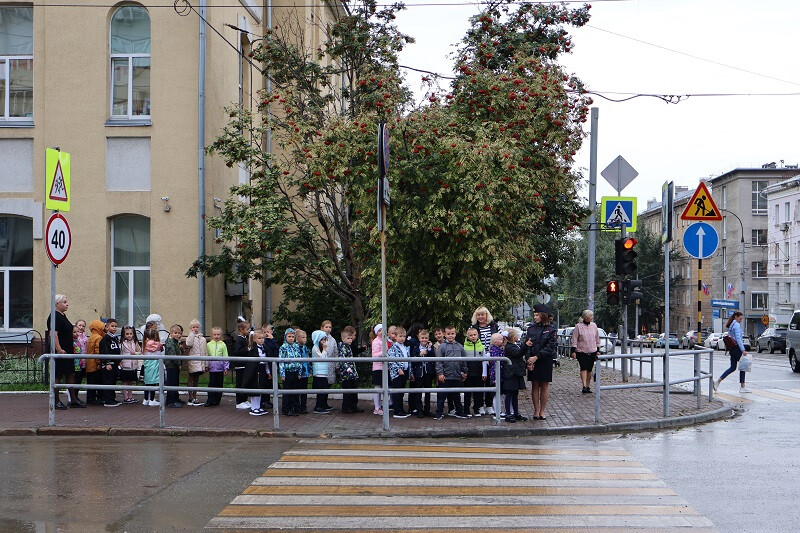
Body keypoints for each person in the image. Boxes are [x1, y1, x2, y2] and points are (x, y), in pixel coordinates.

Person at [46, 294, 82, 409]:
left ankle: (73, 400)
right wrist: (59, 349)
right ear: (57, 304)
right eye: (64, 302)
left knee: (70, 373)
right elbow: (53, 334)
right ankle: (56, 400)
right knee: (58, 375)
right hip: (60, 352)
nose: (67, 304)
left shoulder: (63, 316)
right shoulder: (54, 317)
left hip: (68, 351)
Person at [523, 304, 557, 420]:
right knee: (535, 385)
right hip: (533, 360)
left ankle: (542, 410)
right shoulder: (531, 329)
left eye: (537, 315)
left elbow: (550, 347)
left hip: (545, 360)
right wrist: (529, 360)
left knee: (544, 385)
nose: (535, 317)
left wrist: (537, 357)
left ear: (543, 316)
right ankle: (536, 410)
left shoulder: (551, 329)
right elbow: (527, 344)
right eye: (534, 315)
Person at [433, 325, 468, 420]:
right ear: (445, 334)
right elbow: (439, 361)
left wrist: (464, 372)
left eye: (452, 333)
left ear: (455, 334)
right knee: (441, 395)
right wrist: (440, 373)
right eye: (448, 334)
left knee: (456, 395)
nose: (450, 335)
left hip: (456, 375)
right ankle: (439, 413)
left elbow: (464, 360)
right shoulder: (442, 347)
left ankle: (459, 411)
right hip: (445, 376)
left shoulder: (460, 346)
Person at [471, 306, 499, 414]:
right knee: (479, 382)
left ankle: (489, 405)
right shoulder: (473, 327)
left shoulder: (494, 326)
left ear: (487, 315)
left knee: (490, 382)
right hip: (479, 358)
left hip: (492, 357)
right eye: (478, 315)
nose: (480, 317)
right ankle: (479, 405)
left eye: (482, 314)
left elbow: (500, 338)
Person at [714, 311, 751, 393]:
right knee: (743, 365)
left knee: (733, 367)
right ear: (736, 317)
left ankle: (717, 381)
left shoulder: (731, 325)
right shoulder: (736, 325)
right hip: (737, 348)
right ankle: (742, 387)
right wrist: (743, 349)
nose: (741, 321)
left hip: (732, 349)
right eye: (740, 319)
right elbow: (738, 339)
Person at [570, 309, 601, 393]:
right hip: (581, 351)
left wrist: (598, 350)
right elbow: (574, 339)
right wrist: (573, 351)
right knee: (583, 367)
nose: (592, 317)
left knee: (590, 369)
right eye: (590, 316)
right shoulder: (578, 326)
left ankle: (588, 385)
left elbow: (597, 338)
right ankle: (584, 386)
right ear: (585, 317)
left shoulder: (594, 326)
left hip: (592, 350)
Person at [337, 325, 364, 414]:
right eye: (348, 338)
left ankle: (353, 406)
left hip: (352, 372)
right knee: (347, 390)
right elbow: (342, 359)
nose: (350, 340)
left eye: (351, 338)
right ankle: (346, 407)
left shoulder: (349, 347)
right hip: (346, 373)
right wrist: (347, 368)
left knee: (353, 389)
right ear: (343, 339)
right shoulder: (342, 347)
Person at [502, 329, 527, 422]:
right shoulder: (509, 347)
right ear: (513, 337)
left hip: (516, 373)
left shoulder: (513, 346)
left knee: (515, 394)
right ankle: (508, 413)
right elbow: (518, 353)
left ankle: (516, 413)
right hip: (511, 373)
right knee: (509, 393)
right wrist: (525, 346)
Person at [278, 327, 303, 416]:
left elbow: (299, 359)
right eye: (289, 336)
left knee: (294, 391)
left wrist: (300, 372)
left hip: (295, 371)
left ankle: (294, 408)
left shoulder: (296, 346)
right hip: (287, 372)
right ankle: (286, 409)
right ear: (285, 337)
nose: (291, 338)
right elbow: (281, 361)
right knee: (287, 392)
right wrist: (282, 374)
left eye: (293, 337)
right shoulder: (283, 347)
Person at [462, 327, 486, 417]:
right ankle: (466, 410)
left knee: (478, 393)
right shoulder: (464, 347)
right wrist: (463, 372)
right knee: (467, 393)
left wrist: (484, 373)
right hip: (468, 373)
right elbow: (462, 361)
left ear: (478, 335)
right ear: (467, 336)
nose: (473, 336)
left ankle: (476, 409)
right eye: (471, 335)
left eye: (475, 335)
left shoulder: (482, 347)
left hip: (479, 373)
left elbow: (484, 361)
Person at [244, 330, 268, 416]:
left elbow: (266, 360)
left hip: (262, 368)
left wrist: (268, 371)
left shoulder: (265, 347)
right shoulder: (253, 349)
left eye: (262, 338)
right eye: (259, 338)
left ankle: (258, 406)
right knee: (255, 388)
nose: (261, 340)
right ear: (254, 339)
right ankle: (254, 407)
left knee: (260, 387)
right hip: (255, 369)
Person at [388, 326, 411, 418]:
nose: (402, 338)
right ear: (395, 337)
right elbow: (391, 360)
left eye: (404, 336)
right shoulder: (393, 347)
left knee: (401, 392)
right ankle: (397, 411)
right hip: (397, 374)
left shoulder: (404, 347)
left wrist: (410, 372)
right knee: (397, 392)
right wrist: (398, 369)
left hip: (404, 371)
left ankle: (401, 409)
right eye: (400, 336)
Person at [99, 318, 121, 407]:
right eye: (112, 326)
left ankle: (112, 398)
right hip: (109, 364)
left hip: (115, 363)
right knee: (108, 381)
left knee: (113, 381)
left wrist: (119, 361)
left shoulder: (115, 338)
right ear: (107, 327)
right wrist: (106, 363)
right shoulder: (105, 339)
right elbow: (104, 351)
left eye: (116, 326)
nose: (114, 328)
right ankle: (108, 400)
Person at [204, 326, 229, 407]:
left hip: (220, 369)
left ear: (221, 335)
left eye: (218, 334)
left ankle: (217, 400)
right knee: (211, 384)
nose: (216, 336)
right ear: (212, 335)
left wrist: (226, 367)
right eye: (214, 334)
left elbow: (225, 356)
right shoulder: (208, 345)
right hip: (212, 369)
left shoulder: (223, 345)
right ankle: (210, 400)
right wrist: (206, 365)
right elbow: (207, 355)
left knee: (219, 384)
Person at [185, 319, 207, 406]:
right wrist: (192, 334)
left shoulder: (203, 339)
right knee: (191, 378)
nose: (195, 329)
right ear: (190, 328)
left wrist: (206, 364)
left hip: (200, 361)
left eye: (197, 327)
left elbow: (205, 352)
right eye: (193, 327)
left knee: (196, 379)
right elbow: (189, 344)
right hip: (193, 361)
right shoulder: (190, 337)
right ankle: (190, 397)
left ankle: (195, 396)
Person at [311, 330, 333, 414]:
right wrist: (324, 349)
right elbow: (322, 358)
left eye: (325, 339)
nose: (324, 341)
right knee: (321, 390)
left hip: (324, 372)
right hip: (319, 373)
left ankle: (323, 404)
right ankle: (318, 406)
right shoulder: (315, 348)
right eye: (322, 339)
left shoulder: (321, 348)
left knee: (325, 389)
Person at [119, 325, 141, 404]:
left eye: (130, 334)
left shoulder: (135, 342)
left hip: (133, 365)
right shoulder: (122, 343)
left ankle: (130, 396)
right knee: (125, 381)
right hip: (125, 365)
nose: (129, 335)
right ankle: (126, 397)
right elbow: (120, 353)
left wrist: (135, 353)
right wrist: (120, 362)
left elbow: (140, 351)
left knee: (130, 381)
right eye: (127, 334)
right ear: (124, 334)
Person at [232, 320, 251, 410]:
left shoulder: (244, 338)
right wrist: (247, 349)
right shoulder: (239, 339)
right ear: (241, 329)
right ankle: (239, 401)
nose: (248, 331)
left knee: (245, 382)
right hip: (240, 365)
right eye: (247, 329)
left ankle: (244, 399)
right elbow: (237, 351)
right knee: (240, 383)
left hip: (245, 364)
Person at [86, 319, 106, 405]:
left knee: (91, 382)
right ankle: (95, 399)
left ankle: (90, 398)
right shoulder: (99, 338)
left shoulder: (91, 337)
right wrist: (99, 362)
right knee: (97, 381)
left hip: (89, 363)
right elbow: (98, 351)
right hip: (95, 364)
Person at [164, 324, 184, 408]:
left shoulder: (176, 342)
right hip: (171, 365)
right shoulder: (170, 342)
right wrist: (178, 364)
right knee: (171, 382)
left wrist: (181, 349)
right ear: (171, 333)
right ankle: (170, 400)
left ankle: (175, 398)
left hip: (175, 365)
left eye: (179, 333)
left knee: (176, 382)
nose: (178, 335)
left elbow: (178, 353)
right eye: (175, 333)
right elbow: (172, 355)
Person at [486, 332, 505, 415]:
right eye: (500, 339)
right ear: (495, 341)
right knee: (496, 394)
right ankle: (497, 411)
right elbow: (494, 363)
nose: (502, 340)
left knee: (499, 393)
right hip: (495, 375)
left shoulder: (500, 349)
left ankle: (499, 410)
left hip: (500, 374)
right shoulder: (494, 350)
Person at [295, 328, 311, 414]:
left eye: (306, 337)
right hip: (298, 373)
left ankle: (303, 407)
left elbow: (308, 360)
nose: (305, 339)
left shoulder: (306, 348)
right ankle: (297, 407)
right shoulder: (295, 348)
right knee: (297, 390)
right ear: (297, 338)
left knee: (304, 390)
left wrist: (309, 371)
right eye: (303, 337)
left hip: (305, 373)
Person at [371, 324, 385, 415]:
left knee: (385, 387)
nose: (382, 332)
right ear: (376, 332)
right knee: (378, 386)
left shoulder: (385, 340)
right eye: (379, 330)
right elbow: (374, 355)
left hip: (385, 367)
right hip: (378, 367)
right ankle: (377, 407)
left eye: (383, 330)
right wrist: (383, 352)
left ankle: (384, 404)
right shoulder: (375, 341)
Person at [73, 319, 88, 398]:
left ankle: (76, 397)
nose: (81, 327)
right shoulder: (74, 337)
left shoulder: (85, 337)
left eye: (83, 326)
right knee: (76, 379)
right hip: (76, 362)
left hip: (84, 361)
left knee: (79, 379)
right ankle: (73, 397)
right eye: (80, 325)